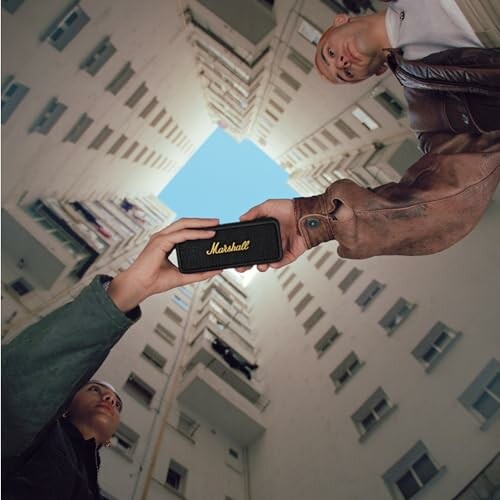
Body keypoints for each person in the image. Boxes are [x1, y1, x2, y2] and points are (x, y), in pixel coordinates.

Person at [239, 1, 500, 262]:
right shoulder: (429, 103)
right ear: (378, 71)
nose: (340, 63)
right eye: (346, 74)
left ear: (339, 21)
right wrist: (314, 218)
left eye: (328, 53)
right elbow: (446, 197)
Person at [2, 218, 222, 500]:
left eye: (115, 402)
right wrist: (125, 292)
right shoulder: (37, 434)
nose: (108, 400)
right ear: (65, 405)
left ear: (110, 441)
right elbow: (16, 389)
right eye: (96, 390)